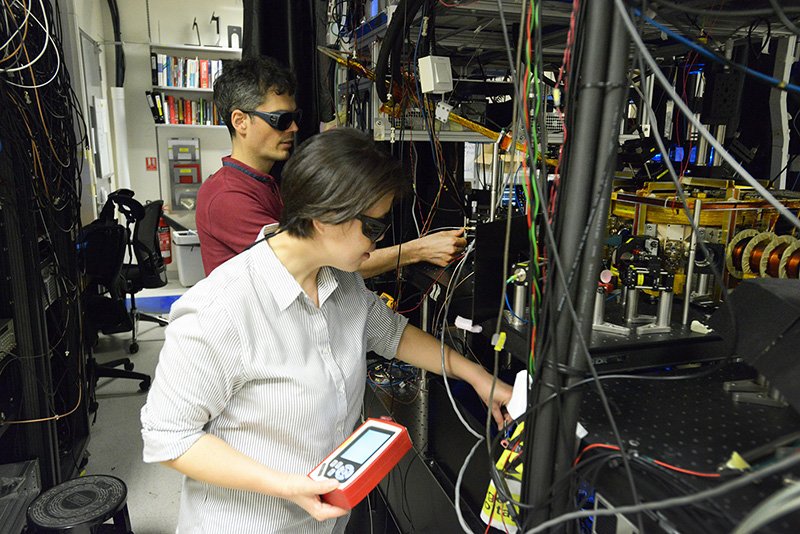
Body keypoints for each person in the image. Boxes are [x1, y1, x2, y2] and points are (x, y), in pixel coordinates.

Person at [141, 128, 513, 533]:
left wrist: (476, 375)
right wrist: (285, 486)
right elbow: (169, 438)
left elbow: (393, 334)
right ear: (324, 217)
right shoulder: (220, 310)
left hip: (322, 522)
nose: (381, 239)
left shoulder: (341, 281)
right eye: (373, 227)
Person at [196, 55, 466, 276]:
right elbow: (317, 265)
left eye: (295, 116)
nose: (294, 127)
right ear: (240, 121)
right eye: (281, 119)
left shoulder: (264, 182)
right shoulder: (227, 196)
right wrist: (417, 250)